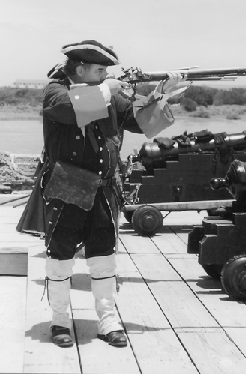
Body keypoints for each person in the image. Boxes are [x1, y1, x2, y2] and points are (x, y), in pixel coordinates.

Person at [17, 39, 185, 348]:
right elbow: (71, 107)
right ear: (80, 69)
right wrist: (108, 88)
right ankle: (59, 321)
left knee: (103, 256)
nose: (106, 73)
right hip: (67, 186)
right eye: (100, 69)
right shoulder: (56, 92)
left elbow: (140, 121)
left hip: (104, 189)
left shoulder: (107, 93)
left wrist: (161, 92)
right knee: (60, 258)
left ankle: (108, 320)